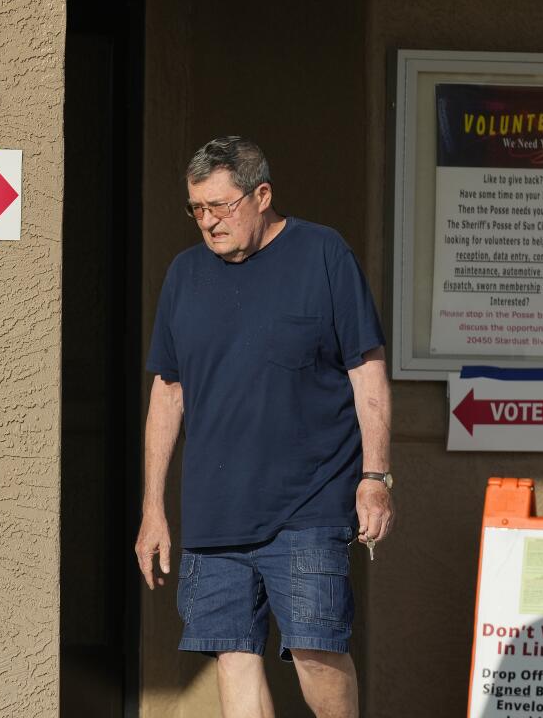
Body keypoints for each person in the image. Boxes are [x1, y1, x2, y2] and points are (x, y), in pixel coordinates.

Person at [134, 136, 393, 718]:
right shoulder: (184, 275)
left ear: (262, 195)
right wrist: (153, 506)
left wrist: (375, 476)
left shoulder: (324, 255)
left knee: (315, 650)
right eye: (196, 208)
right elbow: (168, 390)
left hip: (309, 502)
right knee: (233, 654)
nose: (207, 222)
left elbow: (367, 370)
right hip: (214, 510)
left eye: (219, 206)